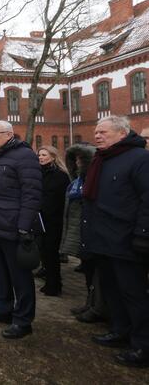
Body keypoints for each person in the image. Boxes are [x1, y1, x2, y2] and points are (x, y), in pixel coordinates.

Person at [80, 116, 149, 368]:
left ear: (122, 133)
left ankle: (143, 345)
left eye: (103, 132)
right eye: (96, 132)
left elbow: (147, 198)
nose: (97, 136)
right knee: (111, 290)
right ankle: (120, 331)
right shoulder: (101, 159)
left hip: (127, 240)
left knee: (134, 293)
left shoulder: (140, 159)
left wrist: (143, 234)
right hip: (102, 238)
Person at [0, 121, 42, 340]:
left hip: (12, 226)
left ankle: (23, 320)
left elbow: (31, 194)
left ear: (9, 134)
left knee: (19, 276)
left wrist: (23, 226)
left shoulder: (24, 156)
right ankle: (3, 309)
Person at [60, 144, 106, 323]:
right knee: (88, 270)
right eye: (76, 160)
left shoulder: (93, 179)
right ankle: (90, 302)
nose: (78, 163)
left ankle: (97, 306)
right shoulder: (76, 180)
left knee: (96, 271)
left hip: (93, 230)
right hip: (80, 228)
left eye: (81, 160)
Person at [37, 146, 70, 296]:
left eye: (44, 155)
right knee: (44, 252)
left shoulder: (60, 175)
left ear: (52, 156)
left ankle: (54, 284)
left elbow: (54, 199)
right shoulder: (40, 172)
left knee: (51, 253)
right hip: (41, 218)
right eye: (39, 155)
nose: (41, 157)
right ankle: (50, 281)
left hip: (53, 219)